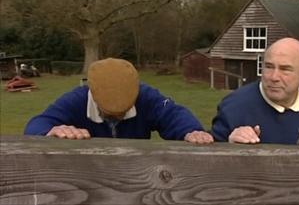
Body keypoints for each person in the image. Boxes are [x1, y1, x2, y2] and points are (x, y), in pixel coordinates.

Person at [25, 58, 213, 144]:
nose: (117, 116)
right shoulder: (76, 100)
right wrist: (52, 130)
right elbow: (37, 124)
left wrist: (191, 131)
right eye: (109, 111)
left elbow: (172, 114)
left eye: (124, 110)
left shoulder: (146, 96)